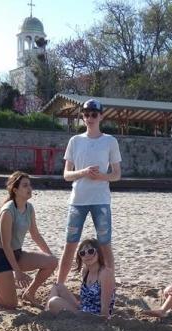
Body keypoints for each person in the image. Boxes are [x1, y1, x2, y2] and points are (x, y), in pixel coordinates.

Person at [56, 99, 122, 285]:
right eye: (86, 114)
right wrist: (84, 172)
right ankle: (59, 284)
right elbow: (66, 175)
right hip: (77, 200)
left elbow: (116, 174)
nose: (89, 118)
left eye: (93, 114)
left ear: (101, 116)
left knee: (105, 244)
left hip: (101, 200)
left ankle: (109, 283)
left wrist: (101, 176)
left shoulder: (110, 141)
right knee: (70, 244)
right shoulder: (75, 141)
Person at [0, 171, 58, 308]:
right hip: (1, 258)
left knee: (52, 261)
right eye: (25, 185)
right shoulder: (7, 211)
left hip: (17, 254)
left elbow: (35, 235)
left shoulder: (29, 208)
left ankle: (29, 293)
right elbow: (6, 245)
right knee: (10, 304)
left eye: (30, 185)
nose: (29, 188)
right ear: (15, 190)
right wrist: (17, 272)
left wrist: (49, 255)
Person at [46, 238, 115, 319]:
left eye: (90, 251)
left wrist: (102, 322)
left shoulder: (105, 273)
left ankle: (48, 314)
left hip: (93, 317)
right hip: (83, 309)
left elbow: (105, 307)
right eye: (82, 253)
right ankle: (45, 313)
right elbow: (85, 299)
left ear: (99, 252)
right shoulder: (85, 271)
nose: (87, 255)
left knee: (54, 302)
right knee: (58, 286)